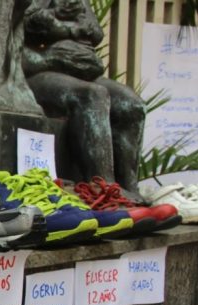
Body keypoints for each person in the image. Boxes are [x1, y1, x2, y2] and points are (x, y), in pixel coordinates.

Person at [22, 0, 146, 191]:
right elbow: (4, 48)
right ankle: (104, 188)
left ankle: (130, 188)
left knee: (131, 105)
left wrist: (59, 28)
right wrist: (53, 55)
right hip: (34, 70)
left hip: (78, 68)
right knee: (92, 95)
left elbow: (94, 31)